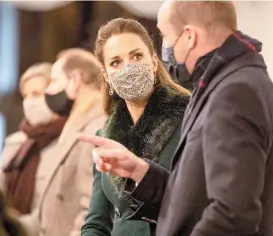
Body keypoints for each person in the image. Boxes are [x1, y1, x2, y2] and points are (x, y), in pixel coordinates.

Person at [79, 1, 273, 236]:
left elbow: (232, 214)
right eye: (116, 62)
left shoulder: (235, 92)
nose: (166, 48)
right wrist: (142, 172)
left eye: (166, 36)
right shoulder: (236, 86)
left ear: (189, 36)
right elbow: (193, 199)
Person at [81, 18, 190, 236]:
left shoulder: (189, 118)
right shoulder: (106, 137)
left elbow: (198, 202)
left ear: (153, 60)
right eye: (116, 62)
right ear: (106, 76)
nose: (128, 67)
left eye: (136, 56)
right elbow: (97, 223)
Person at [37, 48, 108, 236]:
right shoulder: (79, 123)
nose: (49, 90)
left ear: (75, 80)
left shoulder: (96, 128)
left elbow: (92, 206)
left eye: (54, 81)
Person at [0, 63, 66, 234]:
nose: (29, 102)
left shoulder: (69, 141)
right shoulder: (15, 144)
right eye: (25, 95)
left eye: (36, 94)